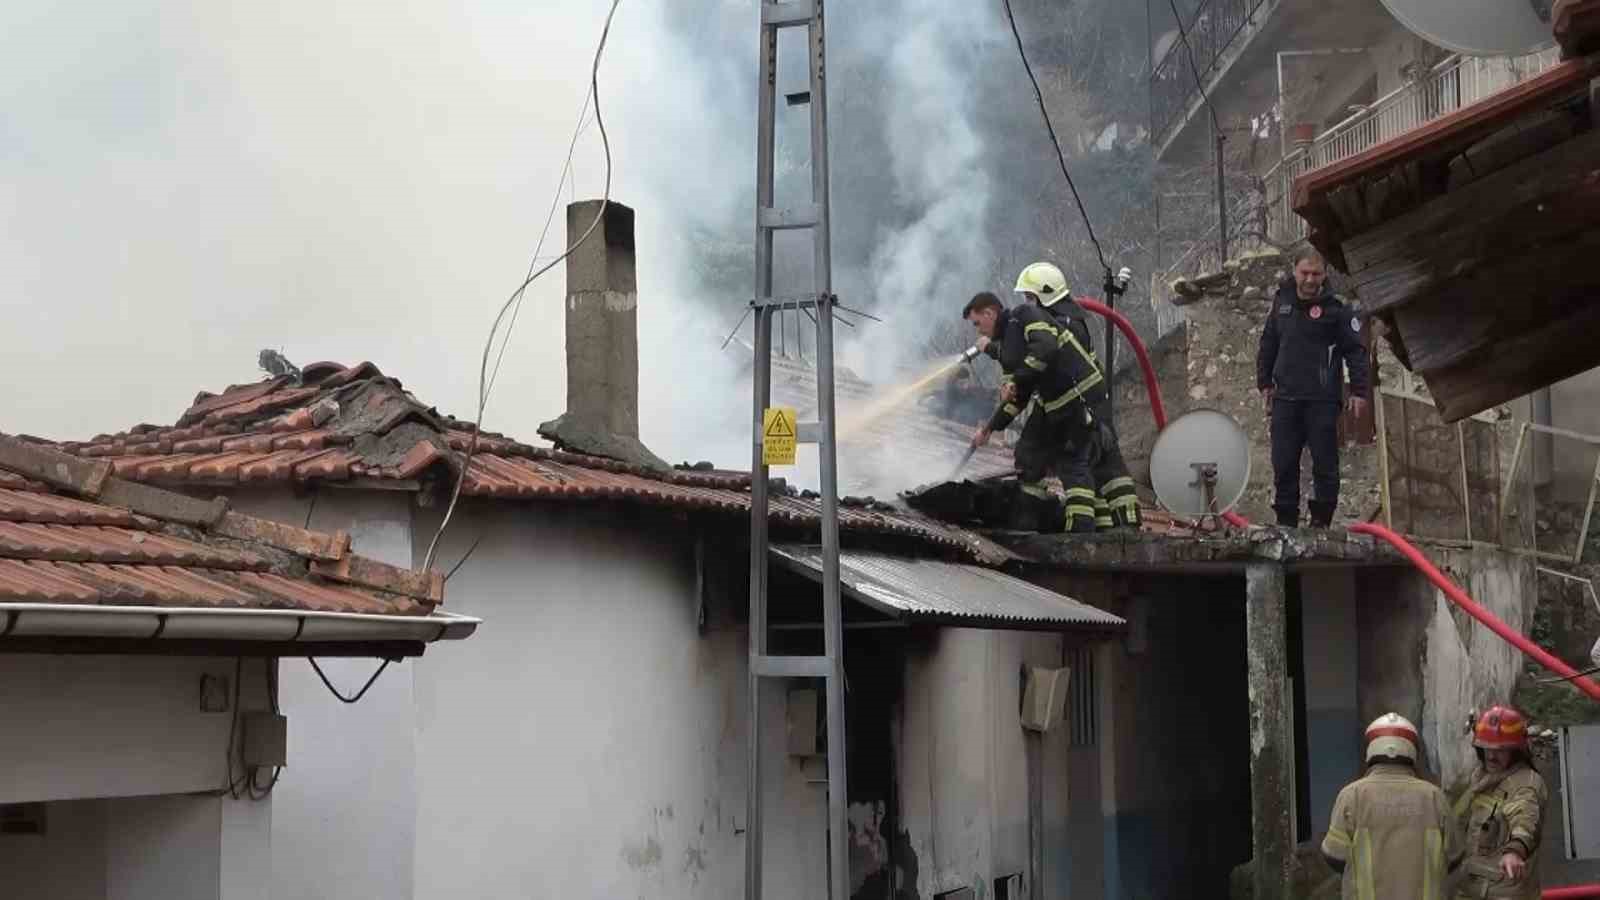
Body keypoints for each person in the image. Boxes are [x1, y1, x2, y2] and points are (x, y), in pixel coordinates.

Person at [1012, 260, 1141, 531]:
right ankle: (1122, 529)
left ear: (1043, 295)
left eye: (1029, 297)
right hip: (1095, 407)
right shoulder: (1076, 320)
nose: (1027, 303)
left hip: (1072, 411)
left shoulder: (1058, 327)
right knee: (1108, 470)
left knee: (1062, 464)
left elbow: (1051, 374)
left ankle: (1062, 527)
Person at [964, 291, 1104, 533]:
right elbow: (1017, 398)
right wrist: (989, 429)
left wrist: (1015, 381)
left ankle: (1082, 533)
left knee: (1071, 462)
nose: (979, 331)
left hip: (1079, 397)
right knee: (1028, 455)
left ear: (990, 313)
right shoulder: (1010, 345)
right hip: (1056, 404)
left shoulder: (1024, 315)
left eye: (978, 323)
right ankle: (1031, 520)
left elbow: (1045, 348)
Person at [1256, 247, 1370, 528]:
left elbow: (1356, 351)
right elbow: (1268, 342)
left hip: (1322, 400)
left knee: (1325, 464)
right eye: (1304, 273)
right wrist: (1264, 382)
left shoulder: (1336, 309)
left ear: (1324, 275)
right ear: (1295, 271)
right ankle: (1286, 521)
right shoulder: (1282, 302)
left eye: (1315, 274)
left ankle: (1321, 521)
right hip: (1286, 399)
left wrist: (1359, 391)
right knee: (1283, 464)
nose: (1309, 279)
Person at [1322, 713, 1463, 899]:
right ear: (1412, 750)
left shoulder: (1352, 795)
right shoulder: (1434, 796)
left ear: (1370, 750)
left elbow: (1334, 855)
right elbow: (1454, 856)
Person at [1454, 704, 1548, 899]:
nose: (1491, 756)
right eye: (1485, 748)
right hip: (1471, 888)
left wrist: (1515, 850)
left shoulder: (1525, 783)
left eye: (1501, 750)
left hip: (1504, 893)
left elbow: (1525, 817)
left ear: (1516, 751)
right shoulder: (1481, 777)